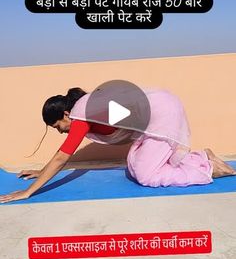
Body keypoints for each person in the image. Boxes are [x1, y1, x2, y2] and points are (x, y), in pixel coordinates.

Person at [0, 87, 235, 204]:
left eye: (57, 125)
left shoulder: (80, 116)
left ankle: (209, 168)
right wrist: (41, 172)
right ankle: (203, 156)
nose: (60, 131)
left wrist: (29, 192)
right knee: (132, 164)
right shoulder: (84, 108)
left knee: (147, 177)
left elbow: (62, 157)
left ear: (65, 113)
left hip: (163, 115)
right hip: (153, 116)